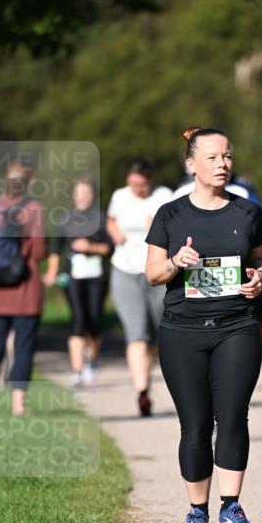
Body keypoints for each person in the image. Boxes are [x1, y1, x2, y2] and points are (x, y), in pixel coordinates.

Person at [145, 127, 262, 523]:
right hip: (182, 331)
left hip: (237, 327)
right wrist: (176, 262)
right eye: (213, 157)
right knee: (195, 425)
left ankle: (231, 510)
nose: (222, 164)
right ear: (191, 164)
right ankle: (196, 514)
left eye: (227, 156)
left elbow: (261, 261)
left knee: (233, 417)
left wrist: (259, 280)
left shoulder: (247, 212)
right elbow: (152, 274)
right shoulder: (170, 215)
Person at [0, 162, 47, 417]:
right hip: (24, 288)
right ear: (29, 182)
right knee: (23, 347)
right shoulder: (33, 209)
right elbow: (39, 251)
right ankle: (18, 404)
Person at [106, 158, 172, 416]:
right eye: (134, 185)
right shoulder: (120, 196)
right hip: (124, 269)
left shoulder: (164, 196)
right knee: (136, 333)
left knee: (156, 333)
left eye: (142, 185)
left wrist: (159, 225)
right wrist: (115, 233)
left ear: (150, 180)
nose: (138, 189)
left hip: (156, 272)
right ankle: (142, 391)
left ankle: (146, 375)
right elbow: (111, 220)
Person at [45, 176, 112, 386]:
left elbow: (110, 248)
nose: (83, 196)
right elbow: (55, 249)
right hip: (72, 275)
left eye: (87, 192)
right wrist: (51, 273)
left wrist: (90, 248)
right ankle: (77, 370)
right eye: (79, 191)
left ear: (93, 195)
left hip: (97, 276)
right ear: (74, 194)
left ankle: (92, 361)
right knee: (78, 319)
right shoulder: (64, 219)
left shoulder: (101, 218)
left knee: (93, 319)